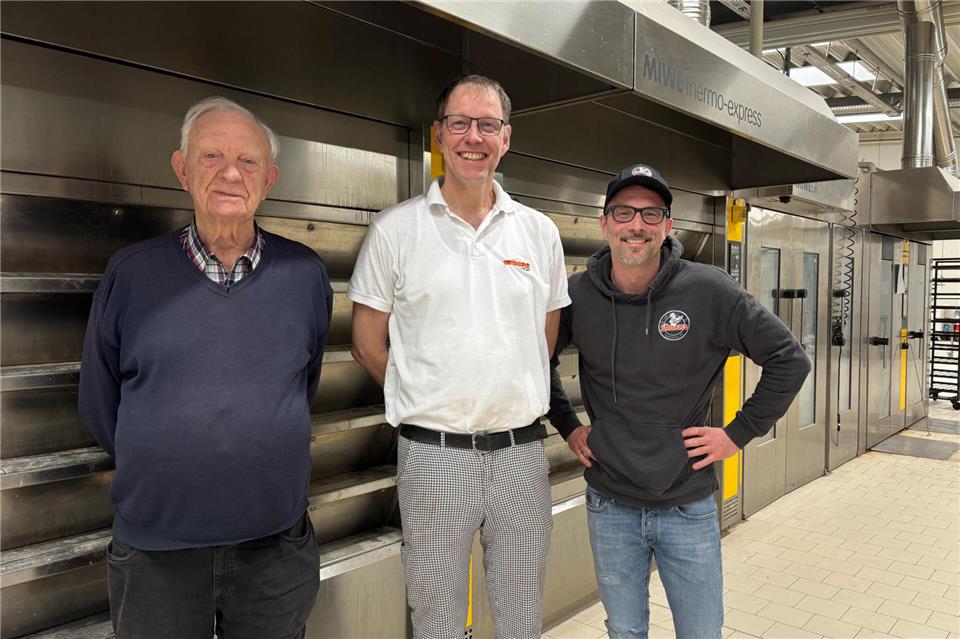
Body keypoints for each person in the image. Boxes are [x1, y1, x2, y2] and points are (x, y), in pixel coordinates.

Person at [78, 96, 332, 639]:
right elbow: (100, 404)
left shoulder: (305, 275)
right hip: (155, 552)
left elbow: (300, 386)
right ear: (182, 169)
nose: (230, 173)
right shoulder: (131, 274)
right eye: (212, 156)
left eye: (248, 162)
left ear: (270, 179)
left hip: (275, 549)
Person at [348, 74, 570, 639]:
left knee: (521, 618)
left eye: (488, 125)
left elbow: (543, 338)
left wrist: (503, 388)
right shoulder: (395, 231)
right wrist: (429, 395)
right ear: (440, 136)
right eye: (460, 124)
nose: (474, 137)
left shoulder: (539, 232)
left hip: (520, 454)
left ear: (506, 138)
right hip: (432, 457)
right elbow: (368, 343)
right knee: (437, 617)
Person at [548, 163, 810, 639]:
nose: (637, 225)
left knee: (700, 632)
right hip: (610, 503)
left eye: (652, 214)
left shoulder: (708, 289)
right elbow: (535, 362)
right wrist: (568, 424)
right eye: (624, 212)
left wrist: (738, 433)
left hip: (686, 505)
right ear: (604, 222)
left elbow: (789, 359)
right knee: (625, 630)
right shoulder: (576, 295)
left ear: (668, 226)